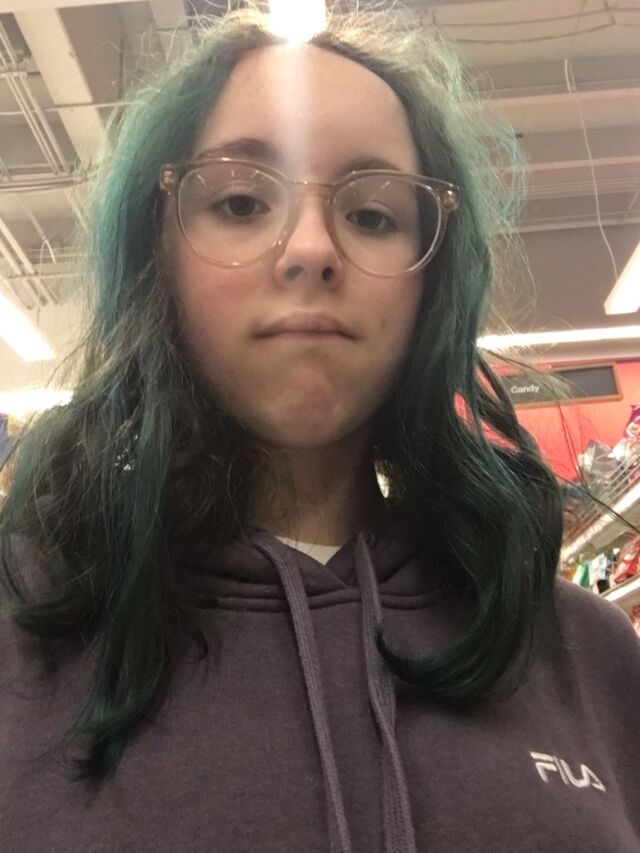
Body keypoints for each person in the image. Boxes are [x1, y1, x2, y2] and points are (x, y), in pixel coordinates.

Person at [1, 4, 639, 852]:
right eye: (239, 202)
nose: (311, 248)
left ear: (430, 284)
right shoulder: (23, 627)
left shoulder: (586, 653)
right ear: (158, 255)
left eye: (373, 215)